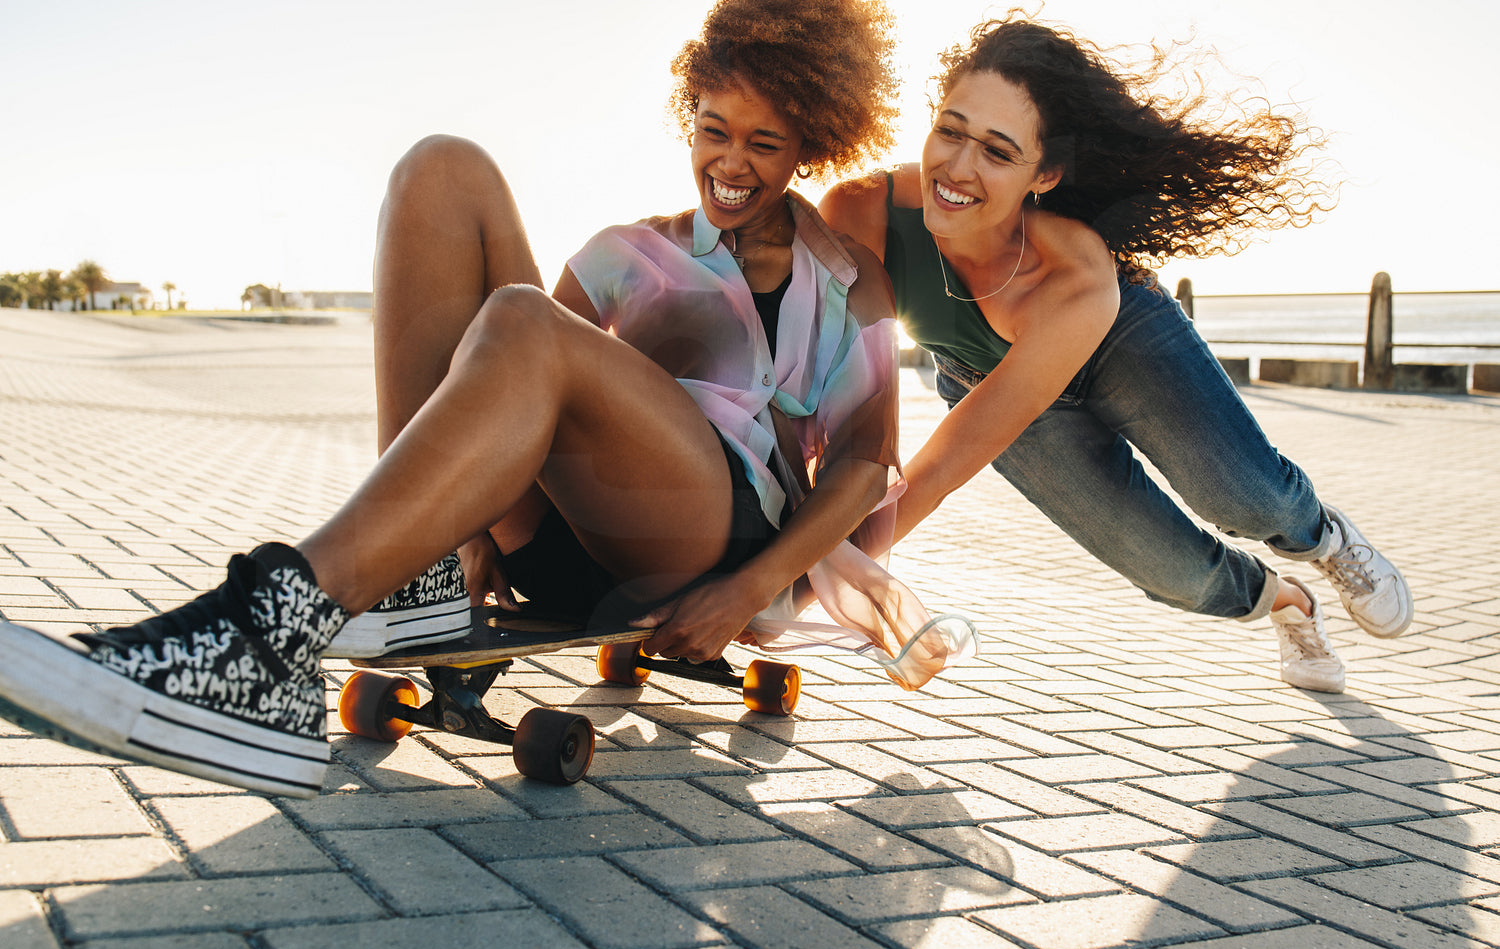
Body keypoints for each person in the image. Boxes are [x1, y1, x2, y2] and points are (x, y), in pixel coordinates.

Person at [0, 0, 970, 800]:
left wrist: (751, 591)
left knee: (522, 317)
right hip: (560, 543)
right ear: (690, 115)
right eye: (713, 130)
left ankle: (262, 635)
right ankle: (417, 576)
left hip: (711, 541)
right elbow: (507, 382)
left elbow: (860, 469)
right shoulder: (627, 252)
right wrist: (464, 524)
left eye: (764, 143)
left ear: (810, 143)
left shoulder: (846, 280)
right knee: (442, 165)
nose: (731, 162)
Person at [820, 14, 1412, 696]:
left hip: (1121, 340)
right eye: (950, 131)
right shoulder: (860, 213)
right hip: (988, 379)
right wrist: (793, 563)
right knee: (1174, 574)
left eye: (997, 152)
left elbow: (937, 474)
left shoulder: (1076, 270)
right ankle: (1291, 604)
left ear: (1044, 174)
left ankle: (1325, 539)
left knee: (1244, 497)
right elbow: (839, 400)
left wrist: (807, 576)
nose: (956, 168)